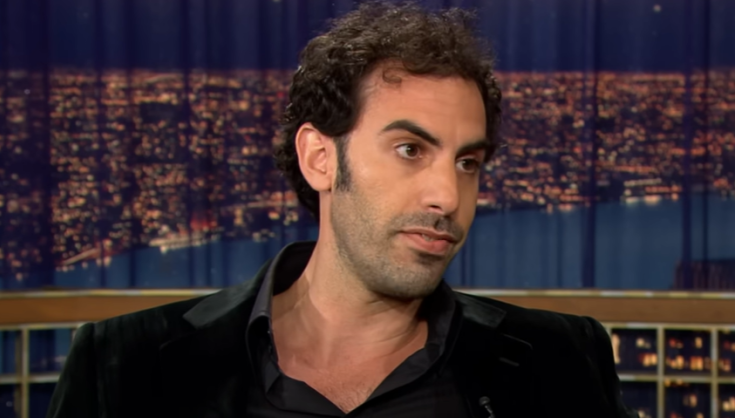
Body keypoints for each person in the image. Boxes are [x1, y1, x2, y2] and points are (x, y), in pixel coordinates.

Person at [47, 2, 637, 417]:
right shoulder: (125, 368)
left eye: (468, 162)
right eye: (410, 150)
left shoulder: (562, 362)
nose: (448, 196)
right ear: (320, 158)